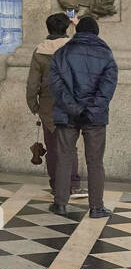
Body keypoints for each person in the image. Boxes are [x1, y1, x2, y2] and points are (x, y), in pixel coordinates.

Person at [49, 15, 118, 219]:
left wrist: (74, 109)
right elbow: (107, 88)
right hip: (95, 118)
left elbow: (57, 87)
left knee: (64, 159)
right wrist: (91, 110)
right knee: (95, 162)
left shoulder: (61, 53)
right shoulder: (106, 54)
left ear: (77, 32)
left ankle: (60, 204)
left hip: (67, 115)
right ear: (96, 32)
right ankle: (96, 208)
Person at [26, 13, 81, 202]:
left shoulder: (40, 50)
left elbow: (33, 82)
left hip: (48, 105)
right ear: (66, 28)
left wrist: (33, 104)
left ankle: (56, 185)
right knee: (69, 147)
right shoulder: (73, 49)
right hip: (70, 104)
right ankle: (73, 184)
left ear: (48, 28)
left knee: (52, 147)